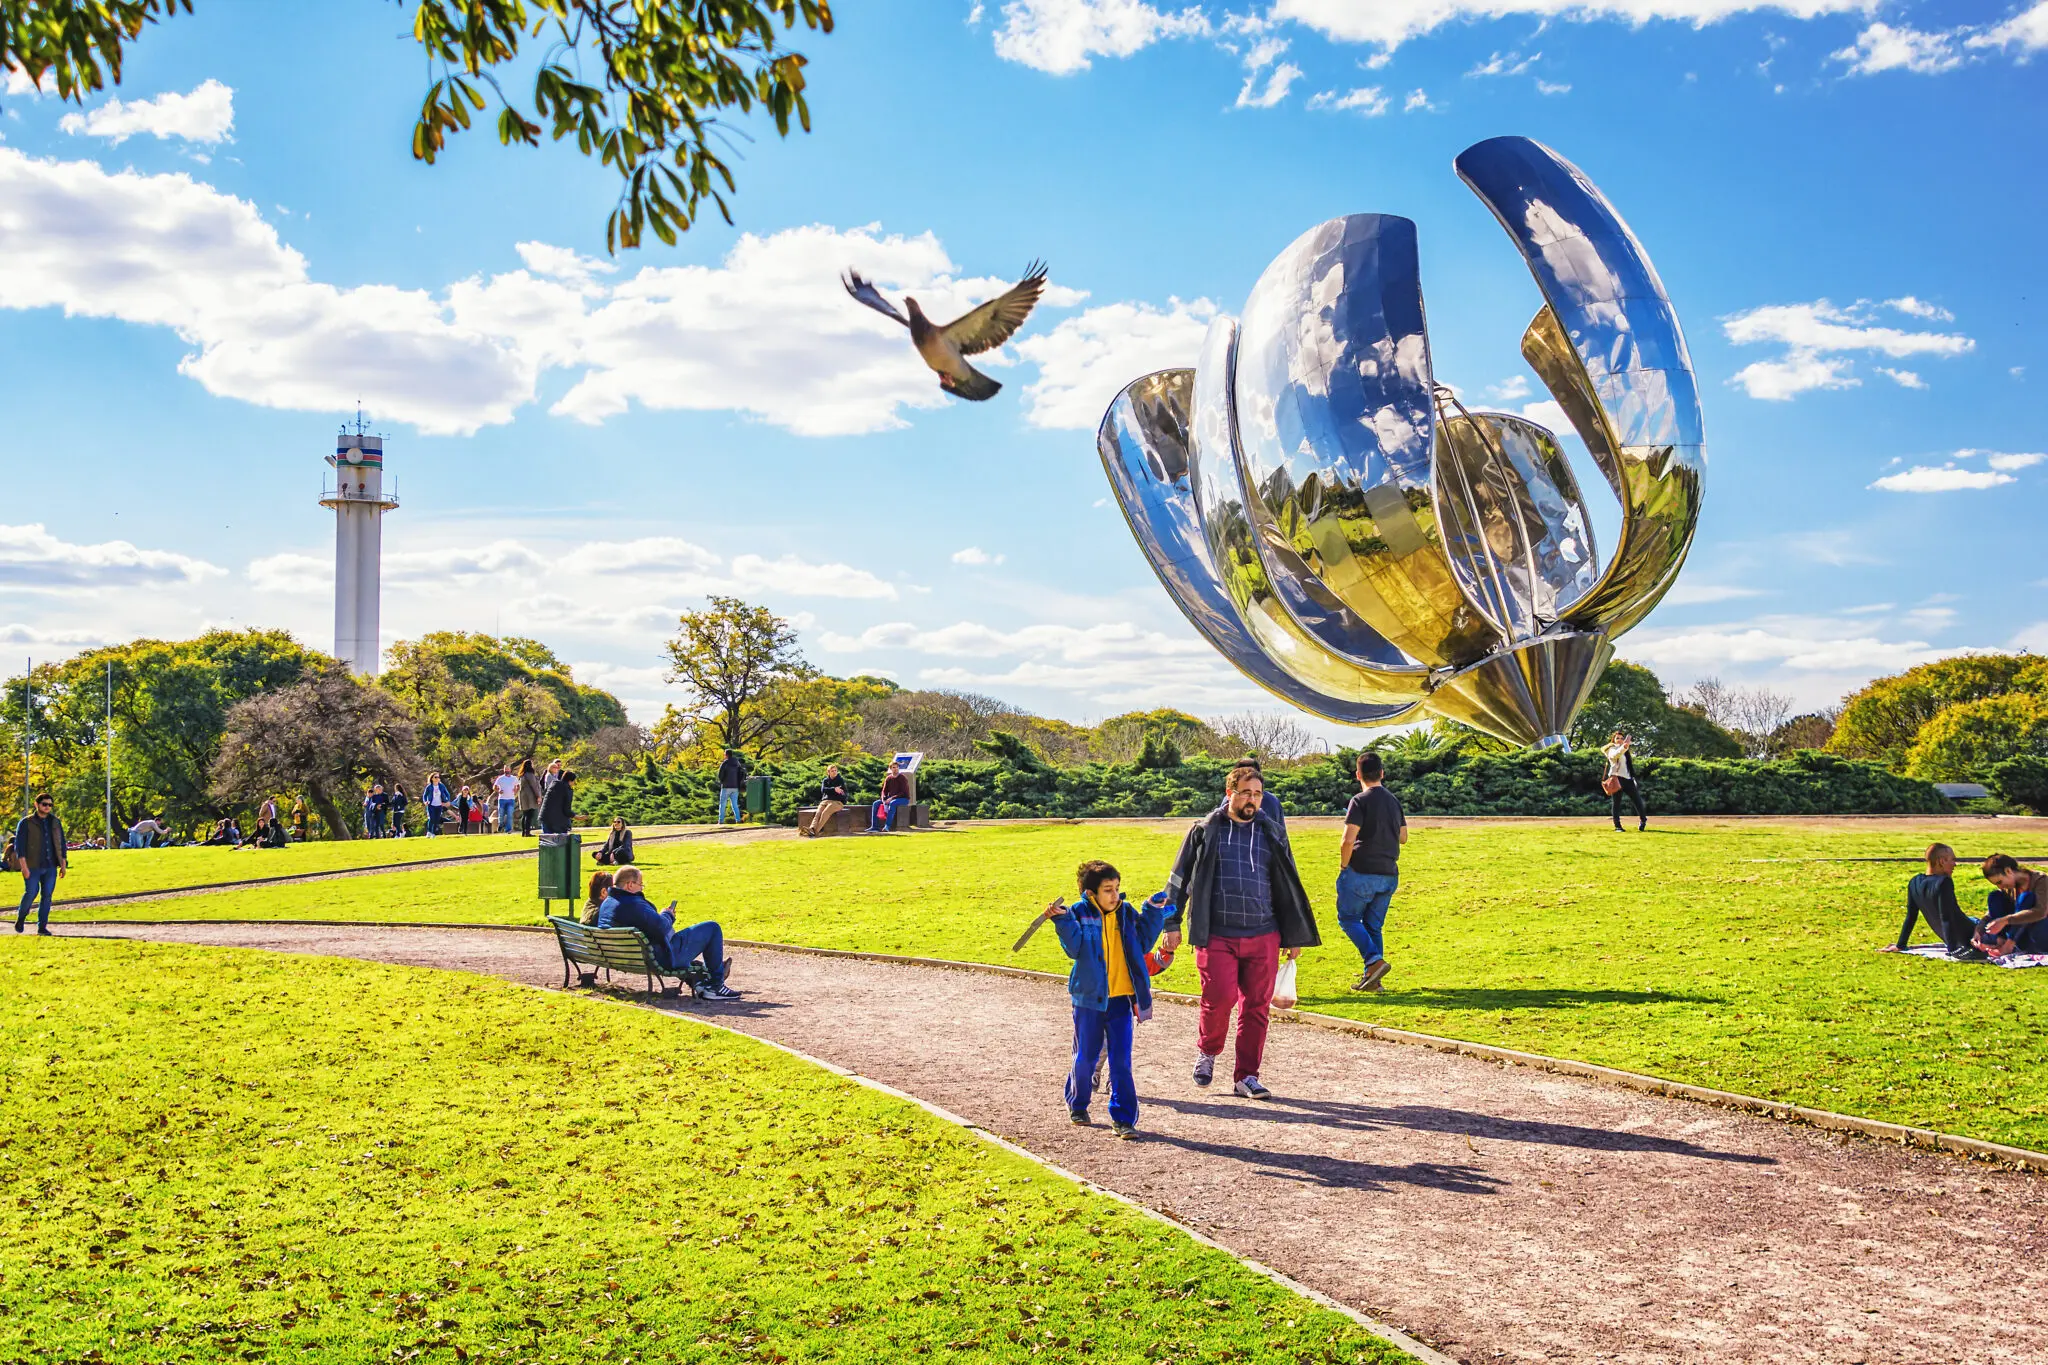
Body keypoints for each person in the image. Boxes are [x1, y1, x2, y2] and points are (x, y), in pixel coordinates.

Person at [1160, 763, 1319, 1099]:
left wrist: (1293, 936)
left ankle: (1247, 1076)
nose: (1252, 799)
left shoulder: (1271, 832)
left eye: (1258, 794)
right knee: (1219, 999)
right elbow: (1178, 880)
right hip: (1217, 934)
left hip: (1264, 933)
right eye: (1245, 792)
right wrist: (1170, 924)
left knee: (1256, 1008)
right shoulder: (1204, 830)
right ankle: (1208, 1051)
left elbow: (1288, 884)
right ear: (1229, 793)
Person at [1050, 859, 1172, 1139]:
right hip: (1088, 1001)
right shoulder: (1078, 912)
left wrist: (1153, 912)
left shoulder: (1126, 912)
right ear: (1090, 893)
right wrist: (1062, 920)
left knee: (1121, 1062)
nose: (1115, 895)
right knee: (1086, 1058)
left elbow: (1143, 943)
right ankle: (1078, 1104)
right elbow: (1074, 949)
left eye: (1117, 888)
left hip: (1120, 1001)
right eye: (1108, 890)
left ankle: (1123, 1119)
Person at [597, 865, 741, 1000]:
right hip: (660, 959)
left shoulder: (608, 903)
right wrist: (668, 914)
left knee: (684, 939)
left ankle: (701, 979)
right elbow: (661, 928)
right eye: (640, 885)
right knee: (712, 928)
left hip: (626, 957)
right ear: (630, 885)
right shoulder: (632, 904)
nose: (641, 889)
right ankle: (715, 986)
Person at [1338, 750, 1407, 992]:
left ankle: (1373, 961)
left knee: (1348, 919)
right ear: (1382, 773)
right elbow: (1403, 837)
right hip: (1388, 873)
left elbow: (1348, 840)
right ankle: (1373, 980)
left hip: (1362, 871)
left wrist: (1344, 866)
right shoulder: (1393, 801)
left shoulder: (1359, 801)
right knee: (1373, 926)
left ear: (1358, 775)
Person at [1882, 843, 1985, 961]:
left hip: (1954, 933)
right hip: (1970, 933)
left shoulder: (1914, 882)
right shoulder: (1943, 882)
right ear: (1941, 861)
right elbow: (1946, 918)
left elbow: (1911, 917)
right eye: (1952, 860)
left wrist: (1900, 945)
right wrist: (1952, 950)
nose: (1955, 864)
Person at [13, 792, 67, 936]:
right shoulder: (26, 822)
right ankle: (21, 918)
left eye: (50, 805)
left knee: (47, 896)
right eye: (44, 804)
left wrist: (63, 864)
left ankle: (42, 927)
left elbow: (61, 843)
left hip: (50, 865)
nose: (47, 807)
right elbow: (19, 846)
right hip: (32, 865)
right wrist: (24, 867)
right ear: (36, 804)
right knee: (31, 892)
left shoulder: (55, 822)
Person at [1975, 854, 2048, 958]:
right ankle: (2001, 942)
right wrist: (1978, 930)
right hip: (2021, 934)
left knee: (2026, 897)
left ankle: (2009, 945)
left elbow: (2041, 912)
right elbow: (1990, 913)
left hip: (2040, 932)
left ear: (2008, 871)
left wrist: (2006, 920)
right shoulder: (2010, 886)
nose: (2000, 886)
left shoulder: (2041, 880)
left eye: (2000, 882)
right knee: (1995, 896)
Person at [1602, 731, 1646, 832]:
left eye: (1622, 738)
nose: (1620, 740)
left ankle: (1643, 820)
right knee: (1616, 803)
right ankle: (1618, 826)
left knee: (1638, 801)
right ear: (1613, 740)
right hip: (1616, 779)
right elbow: (1615, 755)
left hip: (1628, 779)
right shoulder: (1611, 749)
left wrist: (1633, 778)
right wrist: (1624, 746)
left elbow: (1628, 766)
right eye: (1617, 738)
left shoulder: (1625, 751)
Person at [803, 764, 850, 838]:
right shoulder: (825, 780)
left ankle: (815, 832)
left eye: (835, 770)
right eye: (832, 771)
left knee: (825, 812)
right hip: (825, 801)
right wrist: (834, 789)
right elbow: (823, 790)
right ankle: (812, 828)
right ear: (828, 772)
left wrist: (832, 790)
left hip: (837, 802)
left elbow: (842, 792)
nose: (834, 772)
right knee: (818, 813)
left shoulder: (840, 780)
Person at [867, 760, 911, 833]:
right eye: (893, 767)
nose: (895, 769)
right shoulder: (888, 778)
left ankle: (887, 826)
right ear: (890, 769)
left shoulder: (902, 778)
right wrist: (883, 798)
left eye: (897, 767)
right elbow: (884, 791)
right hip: (890, 798)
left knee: (892, 803)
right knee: (876, 803)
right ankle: (874, 827)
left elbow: (904, 792)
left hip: (903, 799)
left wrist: (892, 798)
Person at [539, 769, 576, 835]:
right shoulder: (567, 790)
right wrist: (575, 816)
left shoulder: (553, 785)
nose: (574, 783)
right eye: (574, 781)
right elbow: (566, 809)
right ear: (570, 781)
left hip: (545, 817)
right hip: (557, 821)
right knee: (560, 840)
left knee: (547, 839)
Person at [717, 749, 748, 825]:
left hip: (726, 786)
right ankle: (738, 819)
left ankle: (721, 821)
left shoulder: (725, 763)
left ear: (726, 755)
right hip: (735, 787)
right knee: (734, 804)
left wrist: (722, 781)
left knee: (722, 804)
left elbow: (720, 775)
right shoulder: (737, 763)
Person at [516, 759, 542, 837]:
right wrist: (538, 796)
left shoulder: (521, 775)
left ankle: (524, 832)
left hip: (523, 797)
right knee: (529, 815)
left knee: (525, 815)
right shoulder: (530, 774)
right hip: (530, 797)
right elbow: (534, 786)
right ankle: (527, 832)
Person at [423, 772, 452, 837]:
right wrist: (425, 802)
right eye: (435, 777)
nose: (437, 778)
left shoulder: (441, 786)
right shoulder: (429, 787)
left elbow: (447, 794)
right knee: (431, 818)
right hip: (431, 805)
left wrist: (447, 801)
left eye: (438, 777)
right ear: (432, 778)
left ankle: (433, 833)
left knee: (437, 819)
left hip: (439, 805)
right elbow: (424, 795)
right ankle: (429, 832)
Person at [493, 765, 519, 837]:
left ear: (510, 770)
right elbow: (494, 787)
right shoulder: (500, 778)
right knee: (501, 814)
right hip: (502, 799)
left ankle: (508, 829)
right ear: (504, 770)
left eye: (508, 769)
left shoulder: (514, 778)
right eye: (505, 769)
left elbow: (518, 786)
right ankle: (501, 824)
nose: (507, 771)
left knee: (510, 814)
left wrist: (516, 791)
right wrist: (498, 791)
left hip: (511, 799)